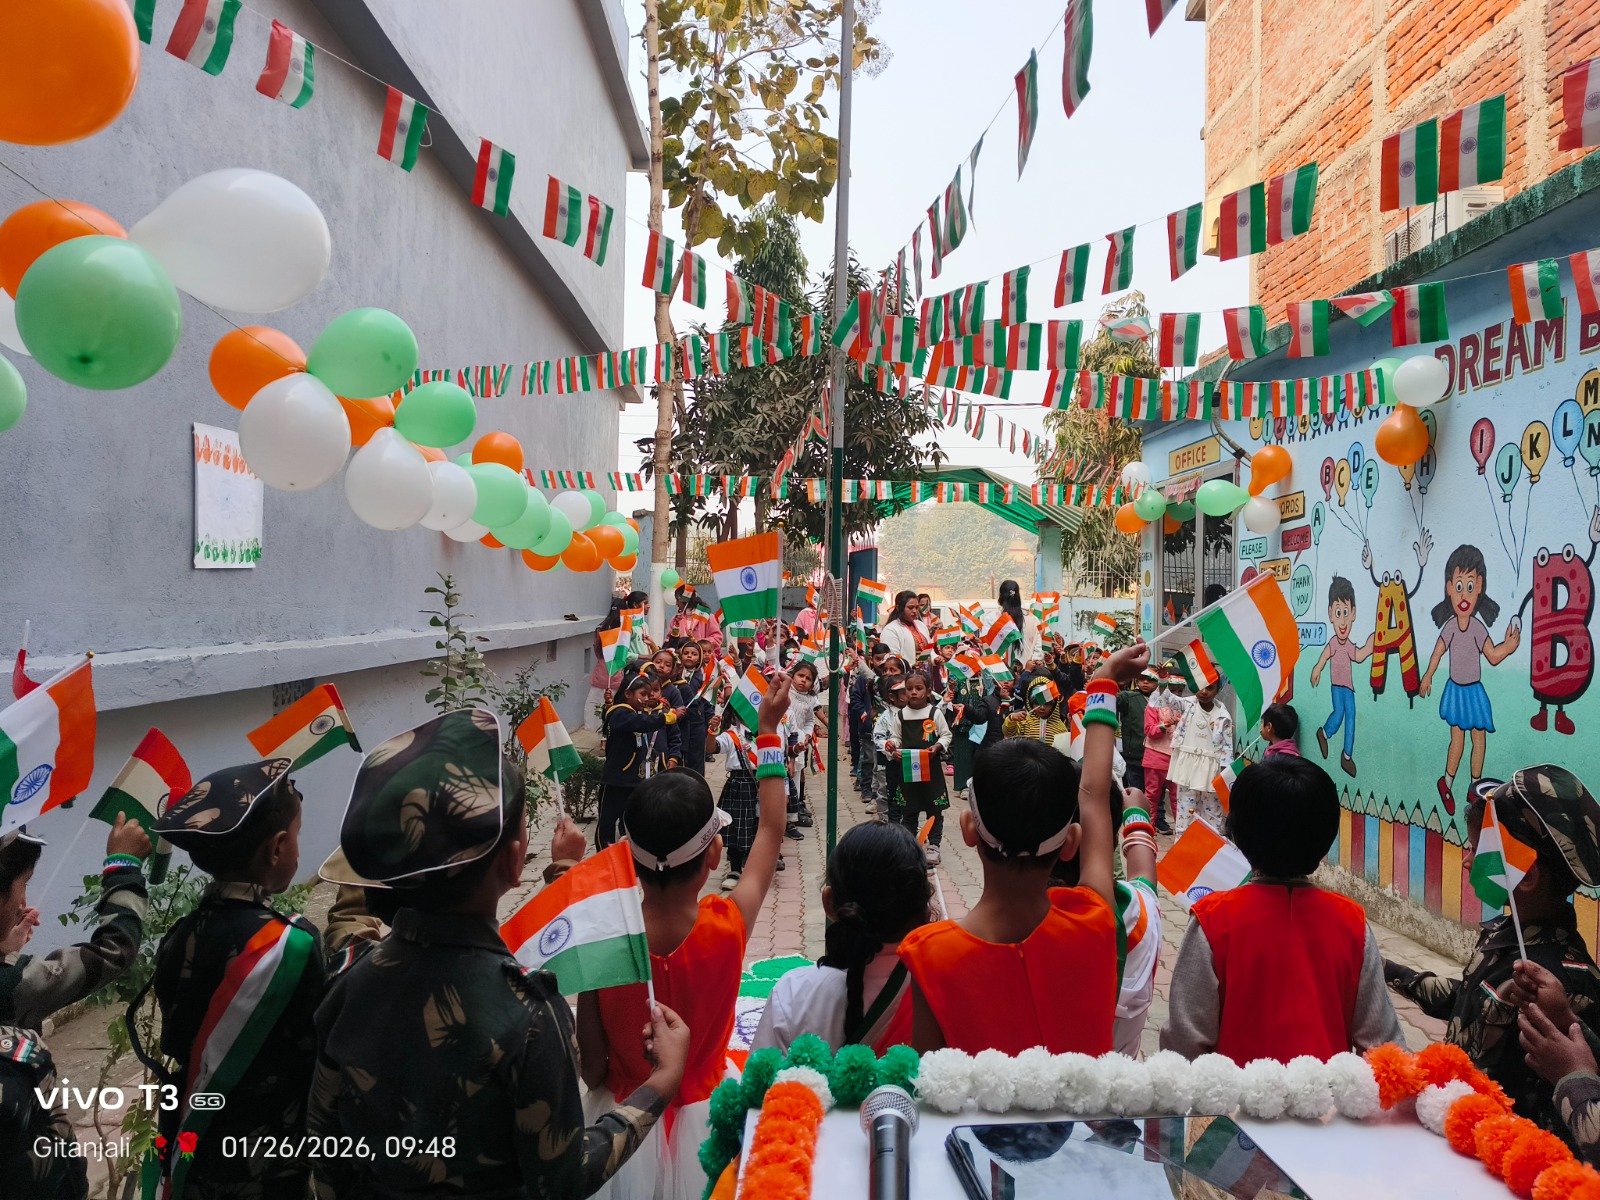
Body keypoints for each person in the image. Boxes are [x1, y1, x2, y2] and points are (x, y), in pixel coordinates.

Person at [308, 709, 689, 1198]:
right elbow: (563, 1177)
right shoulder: (527, 1013)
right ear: (514, 862)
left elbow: (325, 1150)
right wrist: (661, 1083)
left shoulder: (350, 983)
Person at [578, 674, 792, 1200]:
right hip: (711, 1114)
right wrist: (768, 730)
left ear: (628, 855)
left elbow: (591, 1067)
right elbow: (771, 830)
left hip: (623, 1126)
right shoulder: (728, 923)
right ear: (715, 854)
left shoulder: (605, 939)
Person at [899, 644, 1145, 1054]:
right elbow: (1094, 795)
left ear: (969, 830)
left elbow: (928, 1076)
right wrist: (1102, 684)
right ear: (1070, 844)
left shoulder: (929, 954)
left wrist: (1104, 683)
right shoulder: (1094, 921)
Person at [132, 760, 322, 1200]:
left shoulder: (180, 936)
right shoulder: (292, 944)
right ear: (277, 848)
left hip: (194, 1149)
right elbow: (316, 1053)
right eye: (296, 836)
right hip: (268, 1165)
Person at [1386, 767, 1600, 1144]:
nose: (1467, 860)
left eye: (1479, 849)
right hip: (1458, 1126)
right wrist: (1386, 970)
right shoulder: (1502, 933)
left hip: (1505, 1151)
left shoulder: (1566, 980)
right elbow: (1468, 1001)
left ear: (1526, 875)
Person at [1161, 758, 1403, 1063]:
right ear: (1326, 839)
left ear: (1237, 832)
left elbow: (1184, 1046)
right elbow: (1384, 1047)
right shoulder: (1352, 923)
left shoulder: (1212, 921)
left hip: (1234, 1094)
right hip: (1328, 1092)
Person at [1, 820, 149, 1200]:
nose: (24, 902)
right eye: (24, 883)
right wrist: (123, 866)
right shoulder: (17, 985)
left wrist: (6, 949)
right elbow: (115, 950)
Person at [755, 821, 933, 1054]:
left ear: (829, 903)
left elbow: (761, 1075)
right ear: (925, 912)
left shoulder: (793, 994)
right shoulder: (940, 991)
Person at [1420, 544, 1519, 813]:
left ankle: (1475, 786)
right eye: (1459, 586)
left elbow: (1493, 655)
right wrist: (1427, 675)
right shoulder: (1450, 627)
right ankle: (1446, 782)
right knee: (1458, 741)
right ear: (1449, 588)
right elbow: (1438, 652)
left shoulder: (1477, 628)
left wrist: (1508, 647)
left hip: (1474, 693)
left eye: (1471, 586)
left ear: (1480, 588)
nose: (1464, 594)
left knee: (1479, 740)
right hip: (1456, 692)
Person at [598, 667, 681, 848]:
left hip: (634, 779)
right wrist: (665, 718)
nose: (646, 699)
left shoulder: (634, 713)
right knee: (607, 821)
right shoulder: (620, 713)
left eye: (649, 694)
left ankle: (632, 852)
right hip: (616, 779)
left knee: (631, 819)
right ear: (628, 694)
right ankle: (604, 853)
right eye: (642, 694)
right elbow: (641, 723)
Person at [878, 671, 952, 864]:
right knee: (909, 810)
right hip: (909, 768)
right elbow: (896, 737)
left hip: (931, 768)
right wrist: (893, 746)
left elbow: (946, 735)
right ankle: (909, 847)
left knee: (934, 809)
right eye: (909, 689)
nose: (913, 692)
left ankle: (934, 846)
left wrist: (937, 746)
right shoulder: (901, 715)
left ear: (928, 691)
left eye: (918, 688)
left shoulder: (934, 713)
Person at [1309, 576, 1373, 777]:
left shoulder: (1349, 646)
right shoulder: (1334, 644)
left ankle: (1346, 756)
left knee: (1351, 718)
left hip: (1349, 689)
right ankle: (1324, 733)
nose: (1343, 621)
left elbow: (1359, 656)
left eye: (1346, 612)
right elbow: (1324, 657)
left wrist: (1370, 646)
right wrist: (1317, 668)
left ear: (1353, 613)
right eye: (1338, 613)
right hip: (1337, 687)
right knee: (1338, 715)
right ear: (1331, 614)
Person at [1168, 680, 1234, 833]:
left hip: (1212, 771)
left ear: (1218, 689)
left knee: (1213, 814)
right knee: (1185, 813)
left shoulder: (1223, 716)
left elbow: (1227, 748)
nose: (1204, 692)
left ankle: (1213, 846)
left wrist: (1224, 775)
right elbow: (1166, 699)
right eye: (1200, 687)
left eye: (1210, 688)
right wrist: (1163, 679)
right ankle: (1183, 845)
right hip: (1187, 769)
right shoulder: (1187, 704)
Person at [708, 711, 766, 888]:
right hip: (738, 784)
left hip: (763, 783)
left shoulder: (766, 733)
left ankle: (755, 868)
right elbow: (711, 748)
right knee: (736, 828)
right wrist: (712, 730)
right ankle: (735, 869)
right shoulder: (732, 735)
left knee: (758, 827)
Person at [589, 593, 649, 726]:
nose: (648, 606)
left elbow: (597, 652)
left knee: (599, 710)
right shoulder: (624, 630)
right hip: (617, 675)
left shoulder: (602, 629)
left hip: (608, 674)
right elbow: (624, 654)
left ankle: (602, 731)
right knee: (609, 707)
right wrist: (641, 656)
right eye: (645, 603)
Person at [666, 641, 714, 776]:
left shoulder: (703, 677)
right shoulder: (674, 674)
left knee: (695, 758)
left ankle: (696, 784)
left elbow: (707, 701)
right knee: (678, 755)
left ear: (699, 658)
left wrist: (710, 719)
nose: (689, 656)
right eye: (686, 653)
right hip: (679, 721)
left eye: (694, 654)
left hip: (696, 723)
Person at [1142, 674, 1182, 834]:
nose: (1176, 694)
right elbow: (1149, 731)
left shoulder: (1184, 707)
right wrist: (1165, 725)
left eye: (1179, 690)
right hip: (1155, 757)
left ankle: (1182, 833)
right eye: (1172, 690)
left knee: (1179, 798)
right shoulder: (1153, 706)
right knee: (1151, 796)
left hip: (1178, 758)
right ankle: (1147, 831)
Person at [848, 642, 890, 794]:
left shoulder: (893, 682)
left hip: (888, 729)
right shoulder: (865, 679)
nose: (882, 663)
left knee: (882, 760)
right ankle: (865, 787)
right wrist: (864, 714)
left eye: (885, 659)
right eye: (878, 659)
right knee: (868, 758)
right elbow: (855, 698)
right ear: (872, 660)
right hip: (868, 726)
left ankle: (879, 790)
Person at [1118, 669, 1157, 792]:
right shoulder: (1128, 697)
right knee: (1136, 792)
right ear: (1136, 681)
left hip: (1157, 758)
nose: (1145, 682)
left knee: (1155, 795)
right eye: (1142, 679)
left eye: (1150, 680)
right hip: (1134, 757)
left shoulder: (1164, 700)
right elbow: (1111, 698)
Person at [1002, 677, 1069, 743]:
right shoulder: (1023, 721)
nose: (1042, 707)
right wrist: (1011, 719)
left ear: (1054, 706)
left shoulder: (1061, 728)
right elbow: (1009, 733)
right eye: (1037, 703)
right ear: (1030, 703)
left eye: (1047, 704)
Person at [996, 579, 1042, 669]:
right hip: (1028, 671)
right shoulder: (1032, 619)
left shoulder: (993, 618)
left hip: (1001, 673)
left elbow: (989, 648)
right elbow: (1038, 647)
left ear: (1000, 596)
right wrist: (1034, 662)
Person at [667, 583, 722, 656]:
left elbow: (717, 638)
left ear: (685, 600)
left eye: (678, 600)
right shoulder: (676, 619)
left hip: (703, 658)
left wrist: (699, 644)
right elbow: (668, 640)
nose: (676, 604)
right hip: (680, 659)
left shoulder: (707, 616)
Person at [878, 591, 927, 665]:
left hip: (926, 669)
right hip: (905, 671)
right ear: (898, 608)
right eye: (910, 607)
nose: (914, 611)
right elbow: (892, 658)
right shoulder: (890, 629)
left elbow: (930, 650)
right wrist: (910, 667)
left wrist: (935, 658)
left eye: (917, 607)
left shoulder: (921, 625)